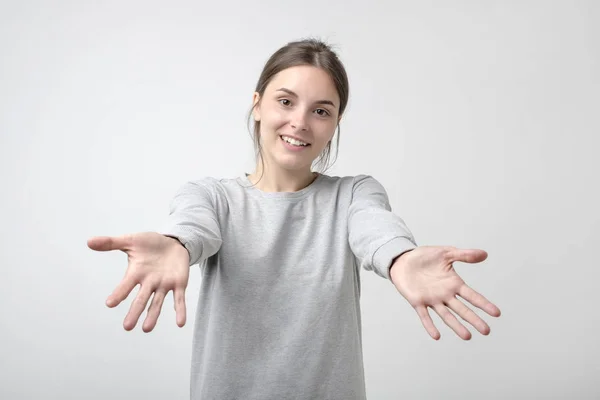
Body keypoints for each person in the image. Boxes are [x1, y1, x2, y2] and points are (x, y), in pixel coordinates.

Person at [88, 38, 501, 399]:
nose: (300, 122)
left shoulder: (354, 193)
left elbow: (373, 226)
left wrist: (400, 258)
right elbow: (193, 226)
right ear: (257, 106)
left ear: (335, 123)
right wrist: (175, 243)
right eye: (285, 102)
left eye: (321, 111)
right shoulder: (212, 196)